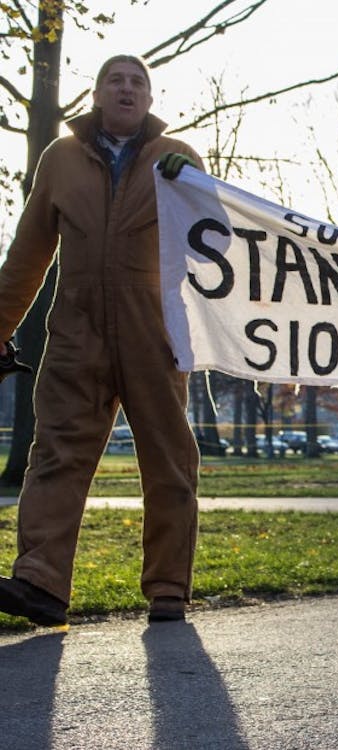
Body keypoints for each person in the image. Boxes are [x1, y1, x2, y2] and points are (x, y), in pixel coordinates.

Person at [0, 55, 203, 626]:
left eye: (137, 81)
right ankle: (39, 584)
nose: (127, 87)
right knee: (56, 454)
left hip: (154, 333)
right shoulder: (60, 159)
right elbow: (27, 255)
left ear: (149, 97)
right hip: (75, 334)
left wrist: (186, 195)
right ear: (96, 95)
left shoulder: (178, 158)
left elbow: (217, 249)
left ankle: (168, 590)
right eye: (115, 79)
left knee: (168, 460)